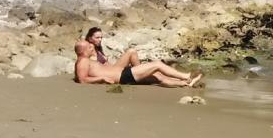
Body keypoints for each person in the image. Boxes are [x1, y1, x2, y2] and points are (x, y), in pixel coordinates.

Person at [74, 30, 202, 88]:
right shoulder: (83, 61)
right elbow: (83, 79)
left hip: (124, 74)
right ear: (83, 51)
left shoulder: (86, 60)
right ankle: (186, 76)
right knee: (157, 64)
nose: (91, 48)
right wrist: (101, 78)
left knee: (157, 76)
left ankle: (185, 83)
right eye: (89, 47)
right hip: (123, 76)